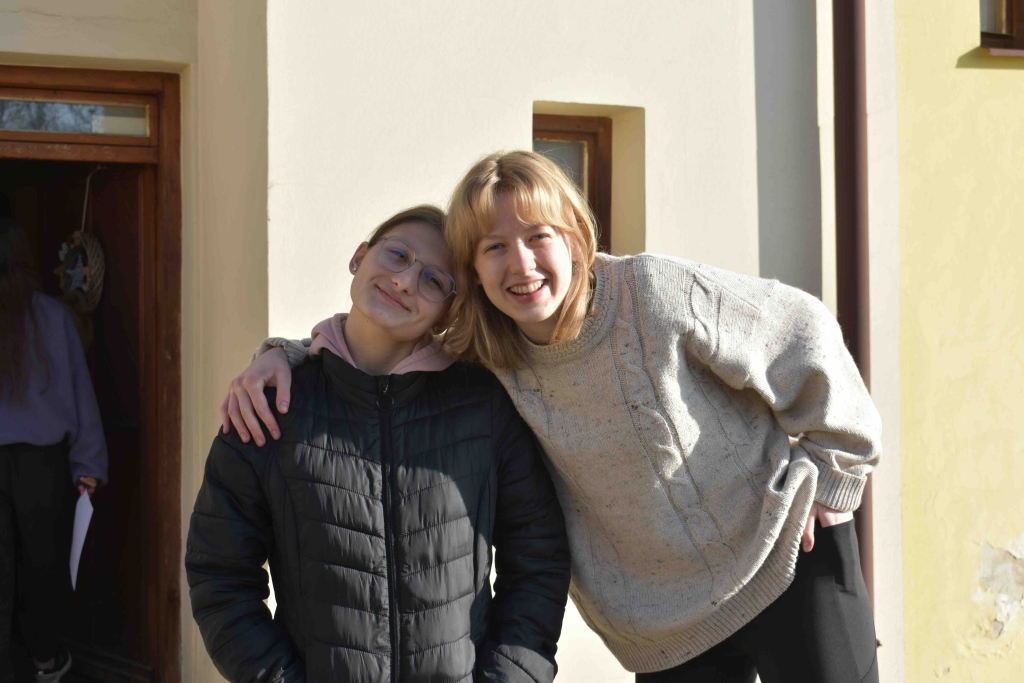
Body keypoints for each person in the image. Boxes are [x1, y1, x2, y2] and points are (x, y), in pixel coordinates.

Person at [225, 154, 883, 683]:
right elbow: (378, 349)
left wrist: (836, 474)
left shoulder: (653, 295)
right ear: (473, 271)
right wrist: (282, 355)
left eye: (538, 237)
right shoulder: (487, 356)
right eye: (493, 247)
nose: (521, 265)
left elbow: (802, 331)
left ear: (575, 238)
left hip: (786, 559)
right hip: (666, 624)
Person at [187, 205, 570, 682]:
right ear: (359, 257)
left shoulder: (484, 406)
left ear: (448, 311)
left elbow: (538, 562)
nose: (405, 281)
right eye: (397, 255)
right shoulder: (271, 405)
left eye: (433, 280)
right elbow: (220, 575)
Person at [0, 217, 108, 683]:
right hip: (41, 466)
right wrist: (89, 463)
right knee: (42, 568)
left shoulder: (52, 318)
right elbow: (81, 396)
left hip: (30, 461)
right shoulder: (54, 317)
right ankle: (45, 664)